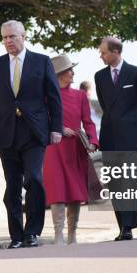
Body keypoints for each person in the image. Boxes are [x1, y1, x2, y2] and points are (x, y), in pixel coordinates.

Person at [0, 20, 62, 249]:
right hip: (6, 133)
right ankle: (16, 235)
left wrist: (56, 128)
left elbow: (54, 97)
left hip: (34, 132)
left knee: (34, 179)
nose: (8, 41)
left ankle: (32, 232)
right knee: (12, 186)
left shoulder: (41, 62)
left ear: (23, 36)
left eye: (12, 37)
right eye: (4, 38)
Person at [94, 36, 137, 241]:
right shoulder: (99, 76)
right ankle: (121, 226)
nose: (101, 56)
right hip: (109, 136)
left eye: (104, 52)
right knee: (115, 182)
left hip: (132, 136)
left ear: (116, 52)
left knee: (128, 180)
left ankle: (128, 226)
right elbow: (105, 105)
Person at [43, 55, 98, 245]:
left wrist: (93, 140)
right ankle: (58, 234)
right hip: (54, 148)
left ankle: (72, 234)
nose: (73, 73)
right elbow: (41, 119)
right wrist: (57, 127)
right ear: (58, 74)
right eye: (69, 70)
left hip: (76, 149)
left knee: (75, 192)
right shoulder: (46, 94)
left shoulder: (80, 96)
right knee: (57, 191)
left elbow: (88, 122)